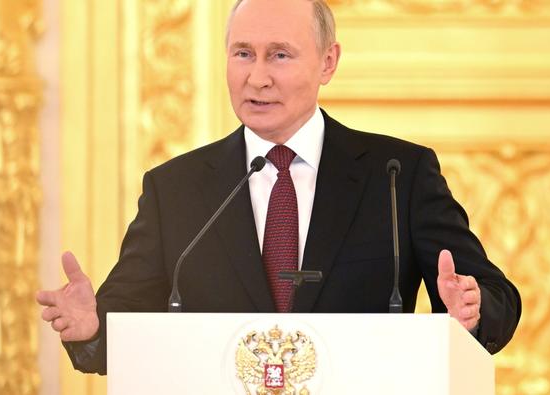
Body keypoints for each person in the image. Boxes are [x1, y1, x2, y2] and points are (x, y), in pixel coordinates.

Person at [37, 0, 521, 375]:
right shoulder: (175, 189)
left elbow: (495, 295)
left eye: (280, 56)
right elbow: (126, 319)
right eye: (242, 54)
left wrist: (475, 308)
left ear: (328, 62)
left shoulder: (398, 174)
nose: (257, 77)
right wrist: (93, 327)